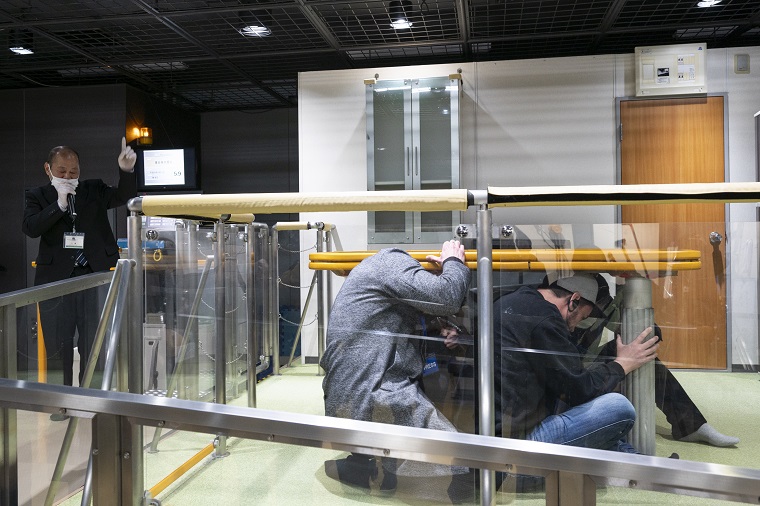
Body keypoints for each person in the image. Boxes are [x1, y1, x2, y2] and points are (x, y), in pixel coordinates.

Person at [320, 240, 470, 494]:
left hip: (357, 385)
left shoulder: (382, 271)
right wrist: (453, 263)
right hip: (373, 391)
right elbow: (447, 297)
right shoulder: (392, 262)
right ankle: (372, 464)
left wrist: (439, 324)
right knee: (464, 464)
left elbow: (399, 315)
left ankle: (367, 464)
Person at [493, 273, 657, 454]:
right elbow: (578, 389)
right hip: (520, 445)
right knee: (618, 407)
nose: (573, 327)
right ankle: (639, 463)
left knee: (592, 412)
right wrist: (622, 364)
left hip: (496, 435)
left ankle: (634, 459)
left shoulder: (514, 301)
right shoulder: (545, 320)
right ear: (574, 301)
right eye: (581, 318)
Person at [22, 138, 137, 393]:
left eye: (73, 172)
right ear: (48, 169)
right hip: (55, 281)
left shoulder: (92, 189)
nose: (67, 176)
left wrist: (126, 171)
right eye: (62, 171)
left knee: (94, 342)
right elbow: (30, 227)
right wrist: (59, 205)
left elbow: (124, 196)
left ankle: (91, 395)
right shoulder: (37, 196)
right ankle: (59, 400)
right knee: (56, 345)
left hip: (94, 278)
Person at [574, 275, 739, 448]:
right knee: (634, 353)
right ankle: (688, 425)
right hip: (570, 364)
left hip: (585, 354)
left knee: (642, 354)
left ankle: (690, 425)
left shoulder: (596, 282)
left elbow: (608, 315)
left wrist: (645, 329)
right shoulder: (561, 287)